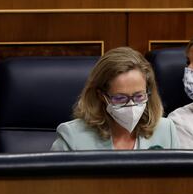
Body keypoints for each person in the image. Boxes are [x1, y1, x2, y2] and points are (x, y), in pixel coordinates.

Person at [51, 47, 179, 151]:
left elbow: (179, 181)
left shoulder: (166, 130)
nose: (131, 105)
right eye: (120, 98)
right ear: (101, 95)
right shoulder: (72, 138)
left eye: (139, 96)